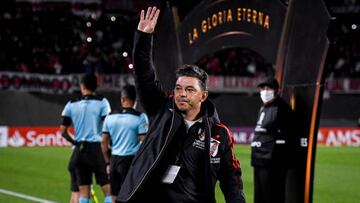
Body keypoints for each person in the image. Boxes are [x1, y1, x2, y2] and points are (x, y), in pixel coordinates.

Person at [117, 7, 246, 203]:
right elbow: (144, 76)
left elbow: (231, 180)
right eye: (178, 88)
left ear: (203, 96)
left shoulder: (219, 134)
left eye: (189, 89)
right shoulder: (161, 111)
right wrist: (143, 38)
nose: (182, 94)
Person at [60, 74, 112, 203]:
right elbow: (108, 127)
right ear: (96, 86)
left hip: (79, 150)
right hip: (96, 149)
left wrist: (74, 142)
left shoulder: (71, 104)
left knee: (84, 193)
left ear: (82, 86)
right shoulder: (102, 102)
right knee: (108, 190)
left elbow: (63, 131)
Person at [101, 85, 149, 202]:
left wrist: (108, 161)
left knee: (114, 196)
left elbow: (103, 142)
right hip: (130, 161)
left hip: (114, 160)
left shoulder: (110, 116)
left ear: (122, 99)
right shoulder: (140, 117)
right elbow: (145, 143)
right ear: (135, 100)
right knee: (130, 195)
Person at [251, 77, 294, 203]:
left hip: (272, 160)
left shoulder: (282, 108)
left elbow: (289, 133)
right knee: (259, 197)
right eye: (262, 88)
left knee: (273, 196)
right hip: (258, 158)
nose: (264, 91)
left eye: (268, 88)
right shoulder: (263, 108)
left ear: (276, 90)